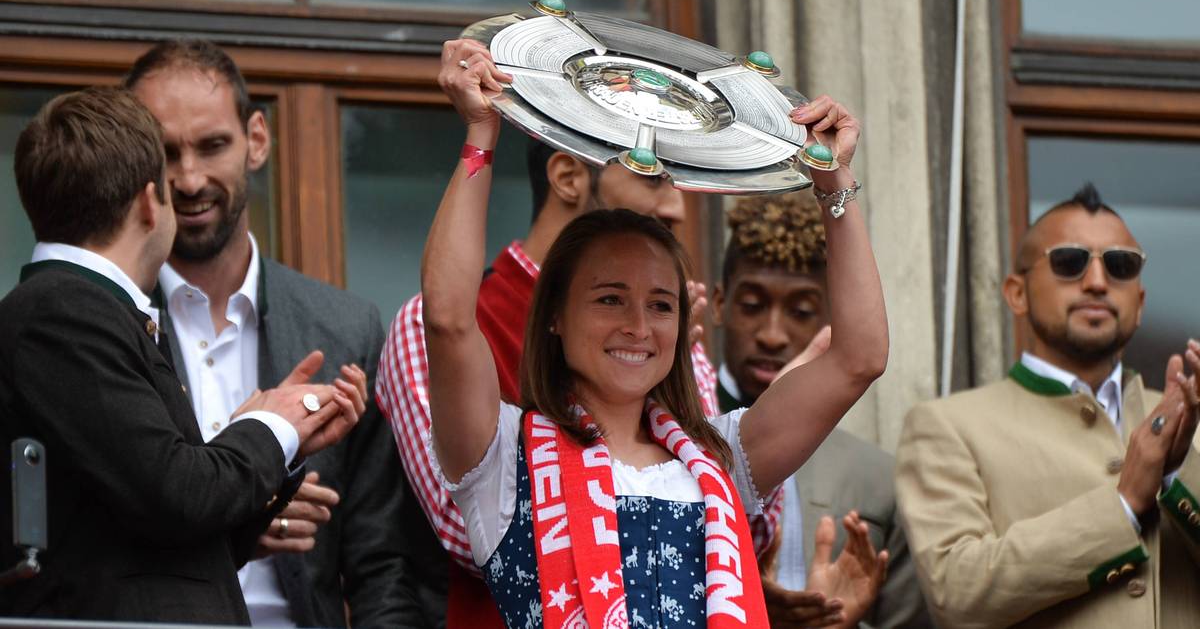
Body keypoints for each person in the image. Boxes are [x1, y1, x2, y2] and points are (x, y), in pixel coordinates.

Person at [420, 39, 889, 626]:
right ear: (555, 316)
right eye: (610, 298)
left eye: (661, 305)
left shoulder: (722, 458)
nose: (638, 327)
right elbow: (446, 318)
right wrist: (482, 132)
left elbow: (859, 359)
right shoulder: (500, 457)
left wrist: (832, 180)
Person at [376, 39, 729, 627]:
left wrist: (681, 366)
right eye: (653, 177)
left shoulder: (667, 339)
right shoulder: (438, 322)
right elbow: (464, 526)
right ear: (567, 176)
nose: (677, 210)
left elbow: (739, 518)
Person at [0, 86, 364, 623]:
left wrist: (279, 442)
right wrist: (270, 424)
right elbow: (178, 494)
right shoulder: (64, 312)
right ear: (152, 202)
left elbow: (168, 544)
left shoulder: (84, 309)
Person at [123, 40, 437, 628]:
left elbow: (382, 567)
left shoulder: (345, 329)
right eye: (164, 153)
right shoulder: (104, 328)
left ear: (257, 140)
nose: (189, 179)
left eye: (212, 145)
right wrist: (237, 522)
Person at [895, 184, 1200, 628]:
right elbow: (954, 591)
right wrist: (1124, 505)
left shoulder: (1190, 421)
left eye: (1120, 265)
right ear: (1017, 293)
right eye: (1069, 261)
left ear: (1140, 302)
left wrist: (1177, 473)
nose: (1097, 282)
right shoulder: (947, 427)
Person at [713, 193, 932, 628]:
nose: (773, 334)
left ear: (833, 318)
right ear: (719, 304)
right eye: (753, 305)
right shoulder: (670, 445)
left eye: (801, 311)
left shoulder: (878, 479)